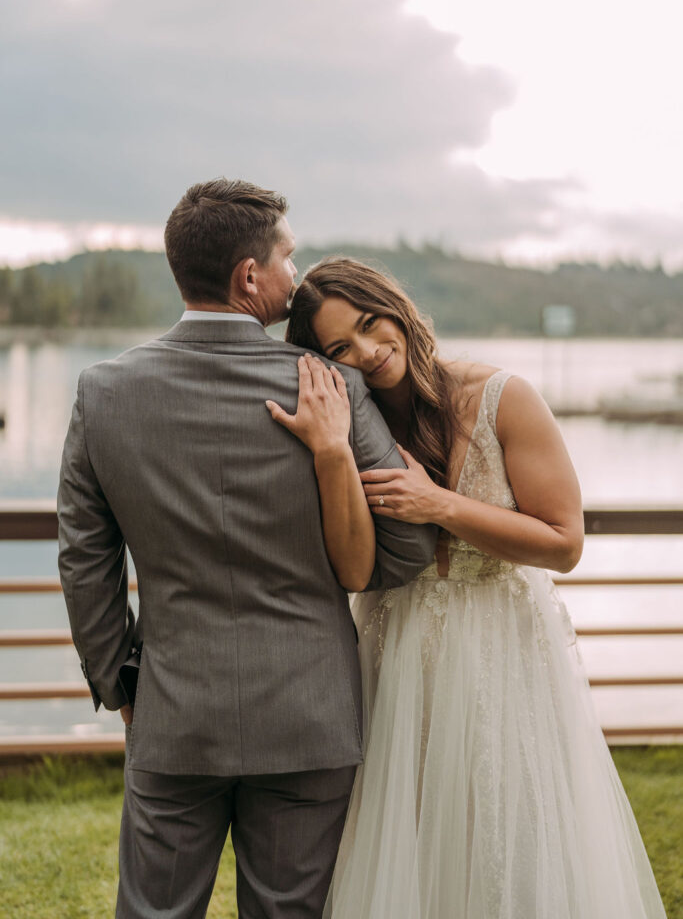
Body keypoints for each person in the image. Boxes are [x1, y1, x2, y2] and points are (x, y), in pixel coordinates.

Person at [57, 180, 437, 919]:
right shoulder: (328, 386)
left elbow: (84, 561)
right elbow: (407, 549)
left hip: (173, 714)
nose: (296, 278)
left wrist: (121, 684)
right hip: (311, 713)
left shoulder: (102, 392)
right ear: (249, 277)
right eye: (287, 258)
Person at [280, 257, 667, 919]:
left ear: (396, 308)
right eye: (340, 347)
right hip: (390, 644)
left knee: (503, 828)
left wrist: (439, 505)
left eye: (372, 325)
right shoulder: (347, 422)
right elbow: (346, 561)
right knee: (400, 835)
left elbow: (564, 544)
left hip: (499, 649)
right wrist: (330, 452)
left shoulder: (500, 397)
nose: (368, 353)